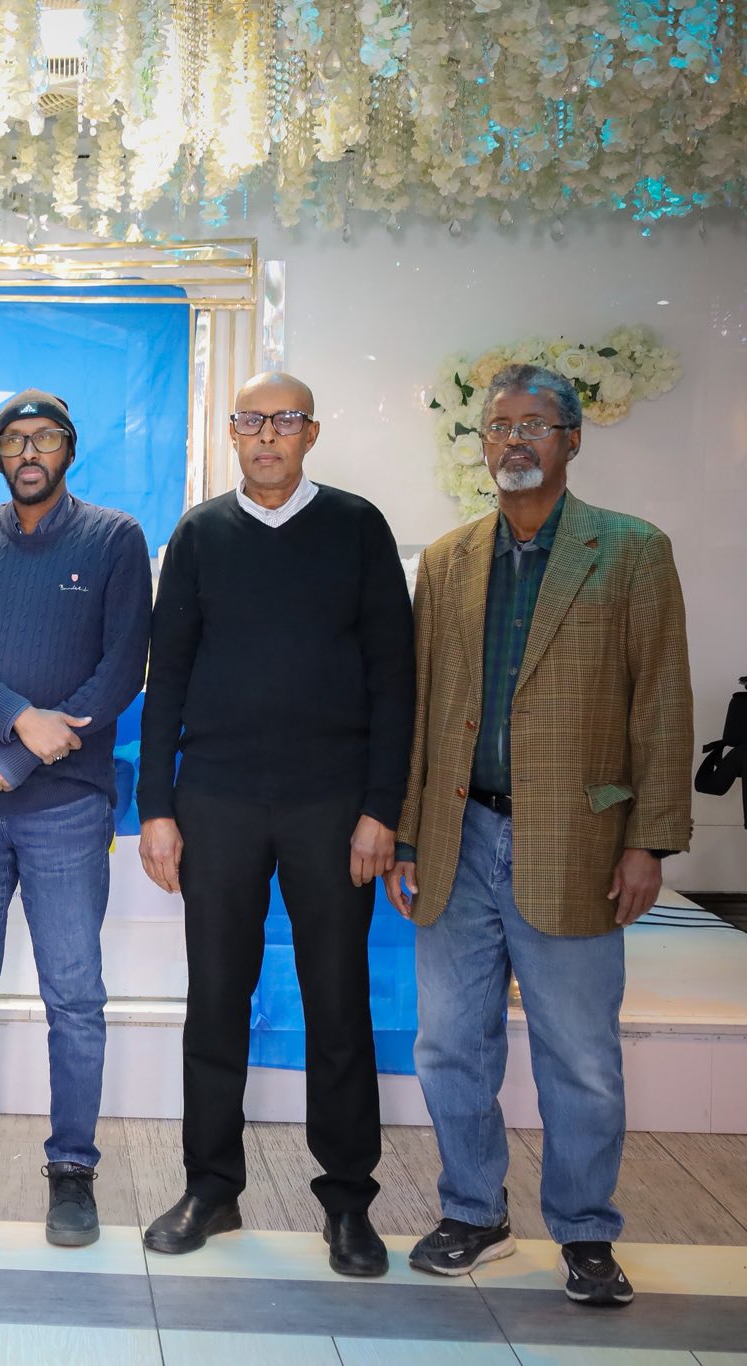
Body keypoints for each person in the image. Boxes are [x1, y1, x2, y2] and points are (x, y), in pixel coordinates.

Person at [386, 363, 692, 1306]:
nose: (513, 440)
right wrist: (407, 834)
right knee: (449, 1045)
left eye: (533, 425)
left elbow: (662, 701)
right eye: (498, 426)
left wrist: (649, 840)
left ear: (571, 440)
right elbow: (419, 706)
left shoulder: (631, 551)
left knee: (581, 1057)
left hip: (578, 844)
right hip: (458, 837)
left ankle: (587, 1232)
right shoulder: (448, 559)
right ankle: (473, 1211)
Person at [136, 372, 413, 1276]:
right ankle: (211, 1187)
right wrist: (157, 807)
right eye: (250, 421)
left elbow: (395, 680)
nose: (266, 435)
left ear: (310, 434)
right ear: (231, 433)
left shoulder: (357, 527)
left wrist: (381, 809)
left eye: (283, 420)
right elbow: (167, 679)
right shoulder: (200, 534)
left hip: (332, 805)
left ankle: (348, 1201)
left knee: (338, 1001)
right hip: (217, 800)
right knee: (216, 999)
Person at [0, 389, 151, 1246]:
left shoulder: (114, 538)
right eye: (14, 440)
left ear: (69, 449)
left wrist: (20, 755)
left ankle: (72, 1169)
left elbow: (121, 667)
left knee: (73, 994)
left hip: (68, 808)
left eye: (45, 438)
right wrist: (17, 718)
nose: (30, 452)